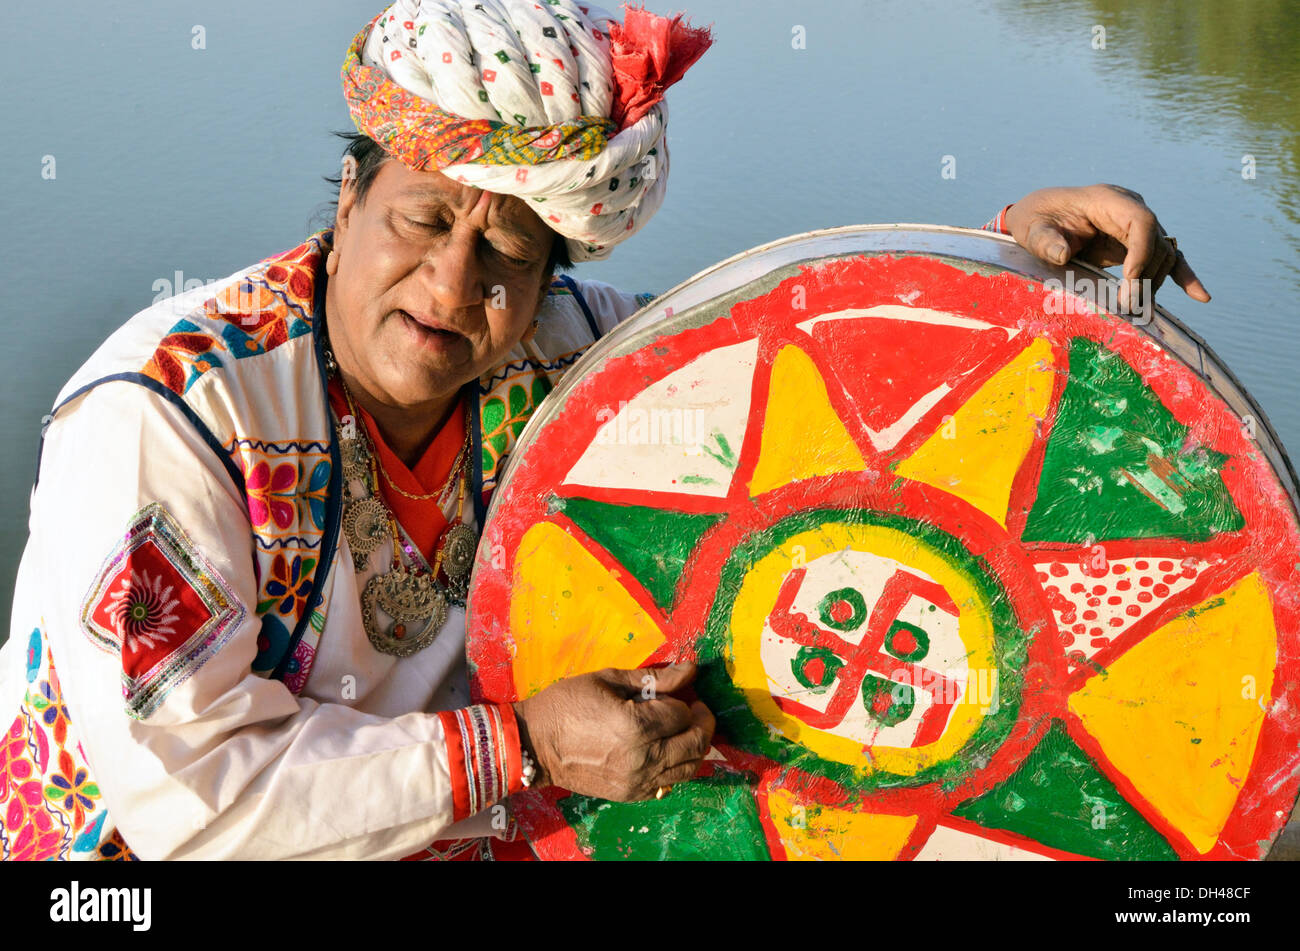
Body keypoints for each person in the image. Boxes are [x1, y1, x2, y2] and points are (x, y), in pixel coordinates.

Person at [0, 0, 1209, 861]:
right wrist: (516, 745)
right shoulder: (170, 421)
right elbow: (184, 808)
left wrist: (1006, 256)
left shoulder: (561, 351)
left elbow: (816, 369)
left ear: (547, 276)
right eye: (422, 220)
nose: (449, 285)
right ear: (347, 198)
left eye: (508, 254)